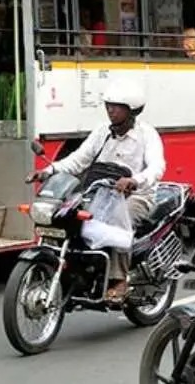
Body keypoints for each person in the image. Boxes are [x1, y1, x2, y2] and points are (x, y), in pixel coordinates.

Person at [29, 79, 165, 303]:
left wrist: (134, 180)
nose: (110, 110)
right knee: (68, 216)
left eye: (117, 106)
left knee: (120, 219)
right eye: (108, 105)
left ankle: (119, 280)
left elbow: (156, 167)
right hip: (99, 193)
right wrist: (48, 171)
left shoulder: (147, 134)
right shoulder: (102, 132)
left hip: (136, 195)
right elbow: (78, 161)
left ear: (131, 110)